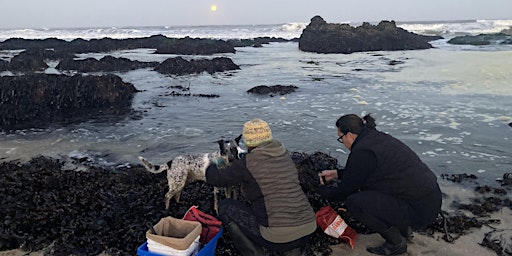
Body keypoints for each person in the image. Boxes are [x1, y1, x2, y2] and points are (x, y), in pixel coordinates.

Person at [318, 113, 442, 256]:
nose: (342, 142)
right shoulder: (376, 138)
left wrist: (320, 190)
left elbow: (344, 192)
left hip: (420, 210)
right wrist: (337, 174)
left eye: (341, 138)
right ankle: (404, 230)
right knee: (380, 189)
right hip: (431, 199)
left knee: (355, 203)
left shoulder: (363, 151)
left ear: (350, 135)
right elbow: (366, 171)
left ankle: (396, 243)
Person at [206, 118, 317, 256]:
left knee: (226, 206)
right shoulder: (284, 154)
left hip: (278, 237)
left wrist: (216, 161)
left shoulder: (248, 163)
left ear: (248, 142)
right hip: (309, 227)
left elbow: (213, 178)